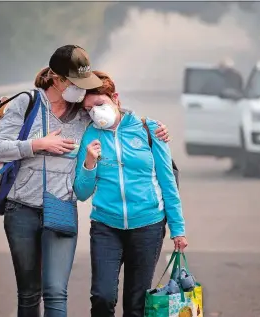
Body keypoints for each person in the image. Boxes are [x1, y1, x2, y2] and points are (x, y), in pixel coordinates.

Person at [0, 45, 170, 317]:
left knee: (56, 291)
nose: (80, 89)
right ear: (55, 78)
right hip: (21, 207)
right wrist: (37, 144)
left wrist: (151, 126)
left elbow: (113, 113)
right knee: (28, 293)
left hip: (61, 206)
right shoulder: (26, 103)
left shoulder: (83, 113)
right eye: (75, 82)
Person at [73, 71, 188, 317]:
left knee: (136, 305)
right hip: (106, 226)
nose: (95, 112)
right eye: (88, 109)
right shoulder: (90, 135)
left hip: (148, 226)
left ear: (115, 98)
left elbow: (168, 182)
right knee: (102, 298)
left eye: (99, 104)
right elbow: (82, 193)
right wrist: (89, 163)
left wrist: (178, 229)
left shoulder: (150, 129)